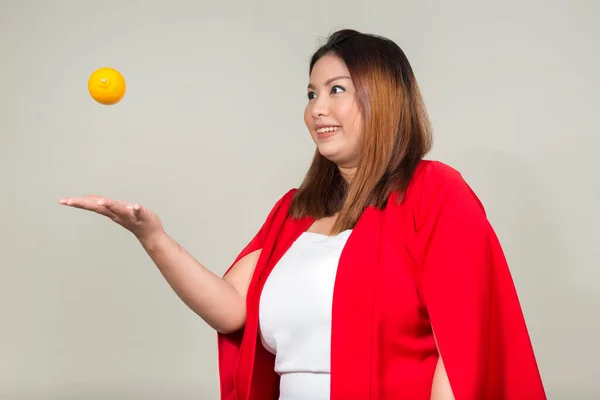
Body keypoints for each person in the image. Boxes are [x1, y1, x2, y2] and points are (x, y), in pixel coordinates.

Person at [60, 29, 546, 400]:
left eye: (336, 89)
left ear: (385, 98)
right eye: (311, 94)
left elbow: (462, 348)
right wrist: (153, 237)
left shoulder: (432, 192)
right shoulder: (296, 210)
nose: (318, 108)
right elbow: (232, 308)